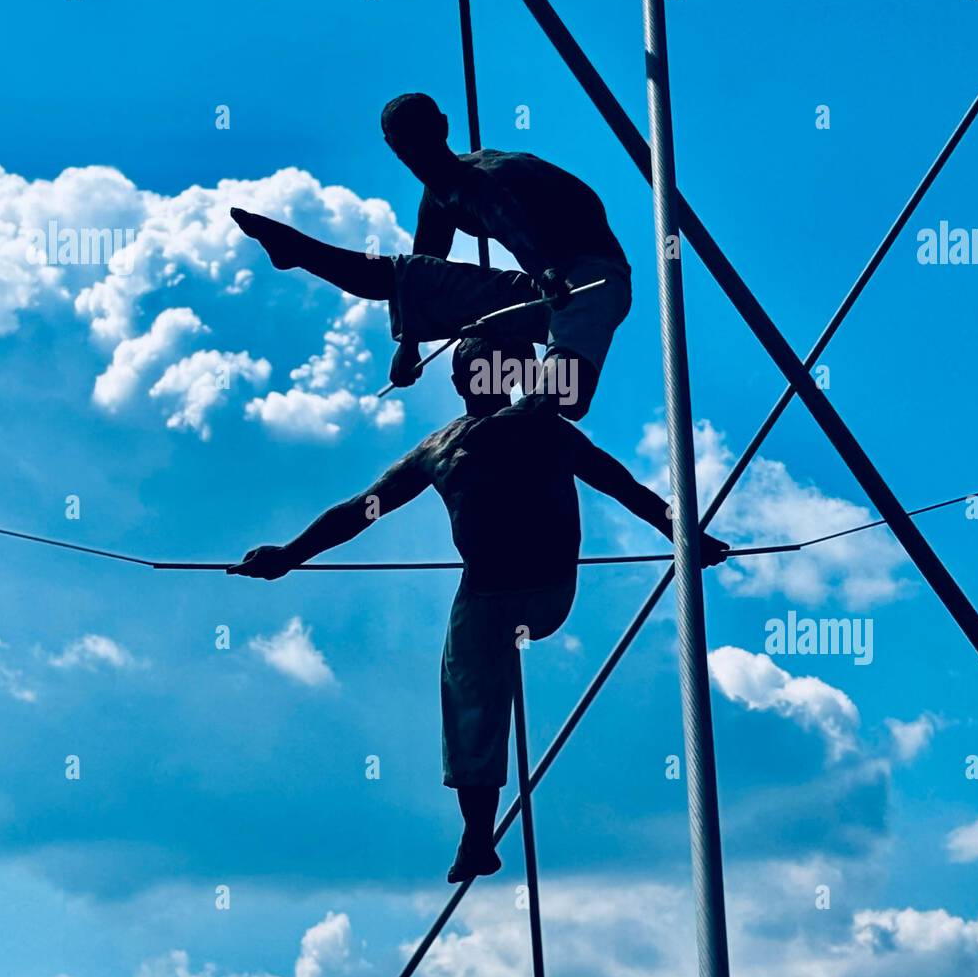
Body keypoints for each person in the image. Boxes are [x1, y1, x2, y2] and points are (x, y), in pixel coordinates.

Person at [229, 337, 729, 884]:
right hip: (495, 597)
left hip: (540, 590)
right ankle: (476, 836)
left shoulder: (542, 429)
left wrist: (685, 535)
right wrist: (290, 555)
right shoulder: (441, 448)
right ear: (462, 380)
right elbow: (361, 510)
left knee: (470, 688)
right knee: (470, 698)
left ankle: (475, 835)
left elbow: (623, 486)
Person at [230, 92, 631, 419]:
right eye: (405, 147)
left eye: (420, 141)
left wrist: (547, 272)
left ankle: (532, 392)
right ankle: (300, 251)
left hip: (589, 280)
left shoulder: (486, 178)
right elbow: (421, 272)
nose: (415, 155)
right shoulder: (437, 195)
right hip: (540, 284)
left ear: (442, 127)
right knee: (406, 275)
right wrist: (409, 345)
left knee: (566, 397)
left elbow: (517, 229)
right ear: (393, 147)